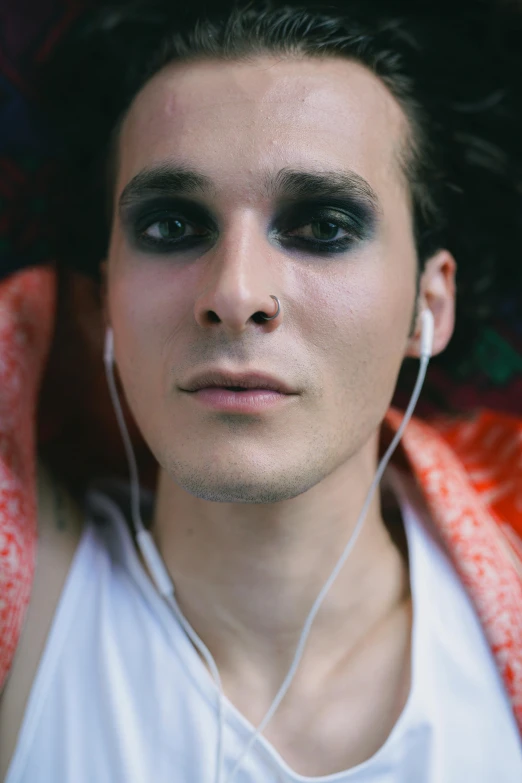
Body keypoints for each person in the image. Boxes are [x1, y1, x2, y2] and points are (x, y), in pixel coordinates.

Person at [0, 1, 521, 781]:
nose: (236, 291)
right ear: (105, 299)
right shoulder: (26, 634)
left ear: (428, 307)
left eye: (323, 226)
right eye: (174, 226)